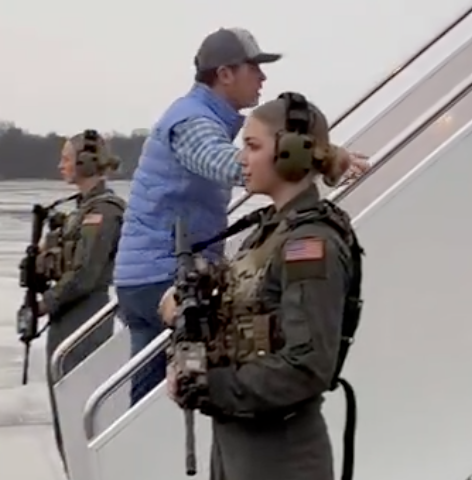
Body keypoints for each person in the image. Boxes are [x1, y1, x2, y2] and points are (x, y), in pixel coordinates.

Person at [115, 27, 370, 404]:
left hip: (145, 273)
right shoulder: (192, 121)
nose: (262, 77)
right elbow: (229, 165)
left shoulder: (198, 116)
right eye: (254, 68)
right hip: (160, 275)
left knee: (151, 397)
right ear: (225, 74)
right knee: (170, 393)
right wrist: (323, 156)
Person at [160, 93, 362, 480]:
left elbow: (306, 367)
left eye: (253, 146)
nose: (242, 158)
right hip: (238, 442)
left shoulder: (309, 245)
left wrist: (210, 385)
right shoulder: (268, 231)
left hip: (278, 456)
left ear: (291, 154)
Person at [22, 129, 126, 471]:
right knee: (64, 412)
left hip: (85, 317)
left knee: (77, 406)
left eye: (66, 158)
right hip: (67, 317)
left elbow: (85, 275)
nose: (61, 165)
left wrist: (44, 304)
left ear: (85, 162)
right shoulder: (79, 212)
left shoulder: (102, 212)